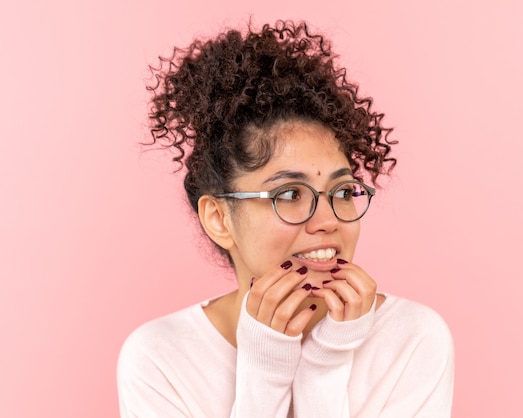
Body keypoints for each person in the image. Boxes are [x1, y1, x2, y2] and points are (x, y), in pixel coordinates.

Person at [117, 20, 454, 417]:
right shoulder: (161, 359)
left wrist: (324, 366)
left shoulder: (412, 338)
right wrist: (265, 367)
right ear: (219, 218)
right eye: (290, 194)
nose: (328, 220)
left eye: (343, 192)